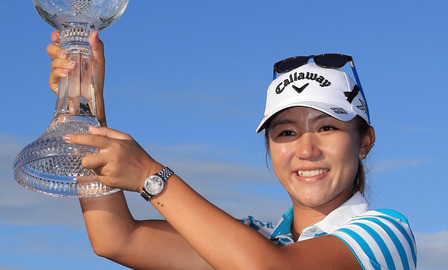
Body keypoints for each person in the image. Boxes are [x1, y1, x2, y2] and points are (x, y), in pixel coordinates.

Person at [47, 30, 417, 269]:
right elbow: (116, 238)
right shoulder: (253, 239)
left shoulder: (386, 233)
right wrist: (85, 102)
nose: (306, 149)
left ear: (365, 141)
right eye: (286, 132)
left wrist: (149, 176)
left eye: (327, 128)